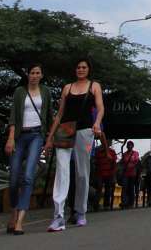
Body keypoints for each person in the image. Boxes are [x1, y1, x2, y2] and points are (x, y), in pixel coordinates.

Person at [43, 58, 104, 231]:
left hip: (85, 131)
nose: (81, 69)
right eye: (78, 67)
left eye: (84, 67)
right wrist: (50, 137)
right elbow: (60, 113)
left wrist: (97, 123)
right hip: (64, 131)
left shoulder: (94, 86)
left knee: (82, 173)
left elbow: (100, 108)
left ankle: (81, 211)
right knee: (62, 172)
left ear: (89, 70)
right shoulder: (67, 88)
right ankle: (58, 216)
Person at [5, 64, 51, 235]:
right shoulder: (19, 92)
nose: (34, 75)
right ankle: (13, 211)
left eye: (37, 73)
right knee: (13, 178)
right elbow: (13, 116)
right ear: (28, 74)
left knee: (28, 176)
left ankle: (19, 221)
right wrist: (10, 138)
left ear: (41, 75)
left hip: (36, 135)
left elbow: (49, 116)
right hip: (19, 136)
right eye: (31, 72)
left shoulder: (45, 92)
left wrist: (49, 140)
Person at [93, 137, 117, 211]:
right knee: (99, 189)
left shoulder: (112, 152)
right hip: (100, 174)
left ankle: (106, 205)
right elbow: (96, 163)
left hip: (109, 174)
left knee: (108, 190)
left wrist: (113, 175)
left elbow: (114, 164)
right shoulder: (98, 152)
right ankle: (96, 205)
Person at [120, 141, 140, 208]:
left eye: (130, 145)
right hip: (125, 174)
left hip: (133, 174)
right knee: (124, 187)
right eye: (128, 145)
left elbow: (137, 162)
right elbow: (122, 163)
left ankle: (131, 203)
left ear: (132, 146)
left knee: (131, 188)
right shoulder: (124, 154)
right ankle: (124, 202)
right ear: (126, 146)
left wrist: (132, 167)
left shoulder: (135, 153)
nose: (129, 146)